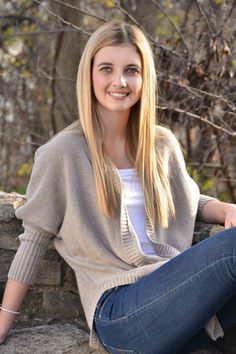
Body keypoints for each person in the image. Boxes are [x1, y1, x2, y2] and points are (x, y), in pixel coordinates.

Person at [0, 20, 236, 354]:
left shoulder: (160, 144)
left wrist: (226, 209)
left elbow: (188, 201)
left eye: (131, 70)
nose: (119, 81)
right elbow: (34, 238)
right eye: (106, 68)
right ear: (89, 74)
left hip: (178, 306)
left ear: (145, 77)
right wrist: (4, 320)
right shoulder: (62, 154)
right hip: (120, 314)